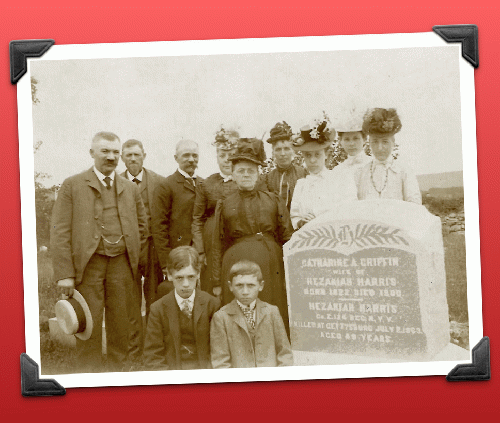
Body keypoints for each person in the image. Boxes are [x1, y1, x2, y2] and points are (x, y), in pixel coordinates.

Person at [50, 131, 148, 372]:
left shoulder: (129, 188)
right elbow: (59, 230)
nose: (111, 157)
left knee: (121, 323)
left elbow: (143, 226)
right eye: (105, 151)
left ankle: (119, 374)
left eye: (116, 152)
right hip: (89, 265)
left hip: (122, 265)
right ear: (92, 152)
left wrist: (135, 258)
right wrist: (65, 273)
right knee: (88, 323)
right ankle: (88, 376)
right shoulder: (72, 185)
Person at [211, 138, 293, 335]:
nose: (246, 174)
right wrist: (216, 282)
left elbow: (287, 237)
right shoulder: (225, 203)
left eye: (250, 170)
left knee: (271, 310)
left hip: (270, 266)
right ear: (233, 174)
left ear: (258, 173)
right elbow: (217, 243)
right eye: (241, 170)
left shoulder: (273, 200)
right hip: (235, 264)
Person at [192, 128, 267, 296]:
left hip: (240, 240)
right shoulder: (206, 183)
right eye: (221, 154)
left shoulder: (252, 180)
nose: (226, 159)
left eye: (230, 154)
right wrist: (200, 251)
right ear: (216, 156)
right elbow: (197, 219)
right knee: (216, 289)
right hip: (213, 246)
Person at [144, 246, 220, 370]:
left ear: (198, 274)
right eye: (179, 277)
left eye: (191, 277)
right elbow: (153, 357)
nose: (186, 284)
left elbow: (218, 353)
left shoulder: (212, 305)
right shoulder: (158, 309)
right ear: (169, 275)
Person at [210, 260, 293, 368]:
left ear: (261, 285)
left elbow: (285, 354)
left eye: (250, 285)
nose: (245, 291)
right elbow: (220, 362)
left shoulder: (272, 312)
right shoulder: (221, 317)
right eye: (239, 285)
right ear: (230, 286)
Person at [121, 139, 165, 319]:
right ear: (122, 157)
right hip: (126, 249)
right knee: (129, 297)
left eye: (136, 155)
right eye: (129, 155)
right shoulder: (115, 182)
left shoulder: (159, 182)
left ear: (144, 156)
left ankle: (153, 338)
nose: (133, 159)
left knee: (154, 296)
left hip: (152, 248)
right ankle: (133, 342)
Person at [290, 120, 358, 230]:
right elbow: (294, 216)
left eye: (317, 154)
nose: (312, 160)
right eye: (308, 155)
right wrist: (301, 222)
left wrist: (320, 219)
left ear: (326, 154)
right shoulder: (301, 185)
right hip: (308, 237)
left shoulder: (341, 178)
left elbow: (349, 208)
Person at [152, 139, 203, 279]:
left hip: (201, 253)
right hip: (178, 254)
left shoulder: (203, 184)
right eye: (186, 155)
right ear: (176, 158)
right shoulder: (166, 186)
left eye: (195, 156)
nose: (191, 160)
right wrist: (166, 263)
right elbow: (159, 227)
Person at [355, 108, 422, 204]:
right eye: (375, 142)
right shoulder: (360, 172)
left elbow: (414, 204)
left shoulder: (404, 171)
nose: (380, 148)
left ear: (393, 142)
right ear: (369, 143)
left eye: (385, 142)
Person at [264, 121, 307, 210]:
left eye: (286, 149)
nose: (282, 153)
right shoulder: (268, 179)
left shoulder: (303, 174)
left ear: (292, 151)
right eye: (278, 149)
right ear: (273, 152)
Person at [332, 112, 372, 179]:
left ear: (364, 139)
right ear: (340, 141)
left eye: (356, 138)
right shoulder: (338, 171)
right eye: (347, 139)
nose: (351, 143)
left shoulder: (373, 165)